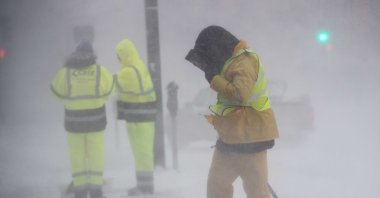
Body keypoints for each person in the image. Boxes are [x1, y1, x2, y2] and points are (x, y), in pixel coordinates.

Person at [185, 25, 279, 198]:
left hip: (251, 138)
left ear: (217, 48)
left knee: (256, 191)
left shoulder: (244, 62)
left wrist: (215, 79)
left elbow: (240, 94)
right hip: (230, 139)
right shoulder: (230, 62)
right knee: (216, 187)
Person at [50, 40, 114, 198]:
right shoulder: (100, 71)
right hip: (96, 122)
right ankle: (96, 190)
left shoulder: (66, 72)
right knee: (96, 154)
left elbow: (55, 93)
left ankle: (79, 189)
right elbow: (110, 92)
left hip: (74, 123)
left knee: (76, 155)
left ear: (75, 54)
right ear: (93, 55)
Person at [114, 39, 157, 196]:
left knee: (142, 154)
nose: (118, 59)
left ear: (124, 55)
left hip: (139, 118)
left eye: (119, 56)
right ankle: (143, 185)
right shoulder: (138, 66)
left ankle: (145, 188)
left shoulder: (129, 71)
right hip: (141, 117)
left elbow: (111, 84)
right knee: (141, 154)